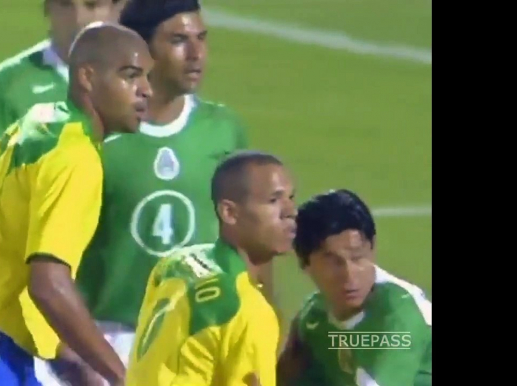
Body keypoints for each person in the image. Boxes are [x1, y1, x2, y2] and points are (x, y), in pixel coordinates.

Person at [0, 22, 153, 386]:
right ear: (88, 77)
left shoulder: (37, 124)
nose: (146, 91)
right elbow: (49, 284)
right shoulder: (76, 157)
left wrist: (72, 359)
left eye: (146, 78)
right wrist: (120, 375)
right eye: (131, 76)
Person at [74, 0, 280, 375]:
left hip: (206, 333)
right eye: (179, 40)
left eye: (202, 38)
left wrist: (264, 322)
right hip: (114, 340)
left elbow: (252, 242)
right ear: (141, 48)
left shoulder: (223, 129)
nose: (196, 53)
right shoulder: (97, 136)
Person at [0, 0, 128, 230]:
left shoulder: (153, 78)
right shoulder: (11, 84)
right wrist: (14, 230)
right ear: (47, 7)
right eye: (65, 5)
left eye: (92, 5)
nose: (78, 19)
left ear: (121, 7)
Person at [124, 151, 297, 386]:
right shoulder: (248, 310)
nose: (290, 211)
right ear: (229, 212)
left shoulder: (177, 263)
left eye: (291, 198)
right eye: (273, 200)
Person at [276, 189, 432, 386]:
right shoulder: (313, 319)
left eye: (357, 257)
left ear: (372, 247)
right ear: (304, 263)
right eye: (333, 262)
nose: (349, 275)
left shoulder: (398, 316)